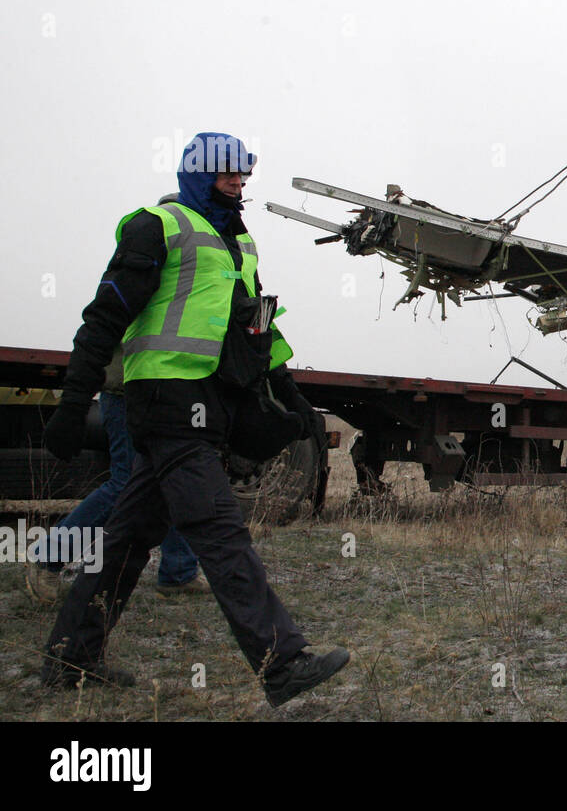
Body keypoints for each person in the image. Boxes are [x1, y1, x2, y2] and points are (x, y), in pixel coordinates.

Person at [39, 132, 348, 706]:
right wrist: (72, 402)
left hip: (209, 405)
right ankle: (281, 662)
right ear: (198, 174)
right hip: (164, 403)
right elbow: (104, 317)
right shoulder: (156, 226)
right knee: (219, 529)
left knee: (126, 539)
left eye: (243, 176)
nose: (239, 184)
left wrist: (292, 393)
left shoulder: (237, 241)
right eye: (228, 175)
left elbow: (256, 325)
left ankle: (70, 659)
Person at [25, 344, 204, 605]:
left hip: (168, 394)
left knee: (173, 477)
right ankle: (48, 558)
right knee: (128, 484)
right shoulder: (139, 300)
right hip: (130, 391)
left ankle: (180, 573)